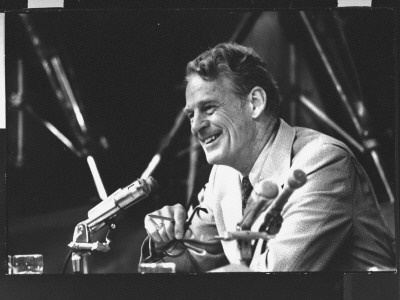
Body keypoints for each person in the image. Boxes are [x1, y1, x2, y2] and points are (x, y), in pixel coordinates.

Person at [140, 42, 395, 272]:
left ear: (255, 103)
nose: (196, 127)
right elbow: (193, 263)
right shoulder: (225, 173)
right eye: (191, 115)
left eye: (208, 108)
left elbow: (272, 281)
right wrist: (167, 239)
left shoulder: (323, 163)